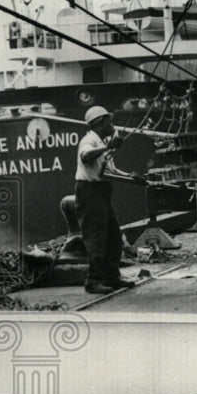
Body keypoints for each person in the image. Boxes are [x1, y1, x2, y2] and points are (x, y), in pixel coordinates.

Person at [75, 106, 137, 294]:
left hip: (101, 192)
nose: (112, 124)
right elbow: (85, 156)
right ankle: (93, 281)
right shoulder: (89, 140)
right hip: (89, 192)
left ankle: (112, 277)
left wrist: (132, 177)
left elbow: (110, 170)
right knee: (96, 237)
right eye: (109, 121)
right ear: (100, 123)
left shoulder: (103, 140)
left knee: (113, 236)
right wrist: (108, 146)